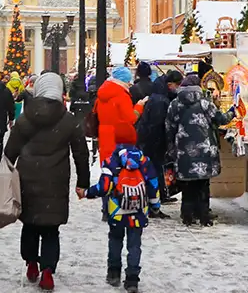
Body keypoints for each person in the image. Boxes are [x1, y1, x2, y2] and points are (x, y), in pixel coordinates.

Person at [5, 73, 89, 292]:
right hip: (56, 181)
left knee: (30, 224)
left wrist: (5, 173)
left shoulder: (25, 118)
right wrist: (83, 181)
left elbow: (10, 151)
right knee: (51, 229)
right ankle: (48, 271)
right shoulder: (69, 120)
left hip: (28, 179)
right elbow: (81, 152)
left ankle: (32, 263)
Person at [81, 145, 161, 293]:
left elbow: (104, 187)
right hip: (138, 212)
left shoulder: (111, 161)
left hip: (117, 211)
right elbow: (153, 185)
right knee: (134, 245)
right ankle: (132, 280)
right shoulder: (145, 162)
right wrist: (155, 205)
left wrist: (86, 193)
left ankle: (113, 273)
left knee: (115, 240)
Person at [165, 73, 235, 227]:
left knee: (187, 186)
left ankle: (187, 216)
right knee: (203, 185)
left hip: (183, 151)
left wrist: (172, 147)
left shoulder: (175, 104)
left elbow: (169, 128)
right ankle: (203, 216)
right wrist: (233, 111)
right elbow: (221, 119)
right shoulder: (205, 103)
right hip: (205, 151)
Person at [138, 70, 183, 205]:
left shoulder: (159, 96)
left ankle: (159, 196)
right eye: (178, 85)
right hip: (154, 141)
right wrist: (164, 142)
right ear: (170, 84)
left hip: (151, 140)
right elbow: (158, 125)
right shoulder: (161, 100)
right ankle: (156, 199)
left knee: (156, 168)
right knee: (156, 168)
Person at [94, 66, 140, 166]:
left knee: (108, 168)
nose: (130, 83)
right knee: (120, 171)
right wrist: (139, 107)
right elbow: (131, 119)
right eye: (128, 80)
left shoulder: (102, 93)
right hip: (119, 138)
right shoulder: (122, 95)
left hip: (104, 136)